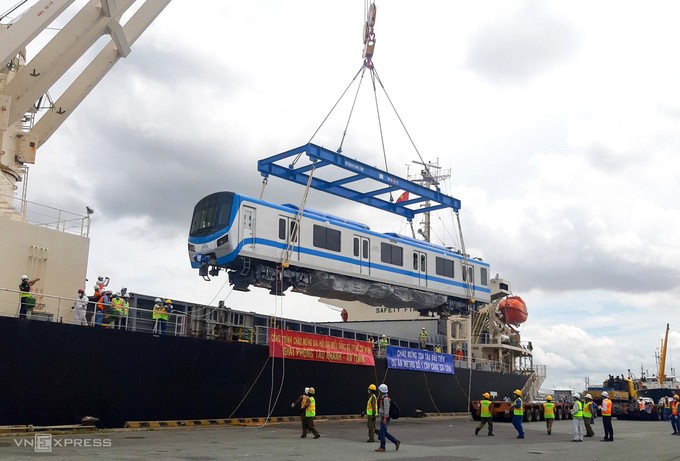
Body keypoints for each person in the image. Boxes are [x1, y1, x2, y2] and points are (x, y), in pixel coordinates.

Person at [375, 384, 400, 452]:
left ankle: (382, 447)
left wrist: (385, 418)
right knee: (384, 432)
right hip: (384, 417)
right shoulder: (384, 398)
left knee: (382, 432)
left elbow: (386, 409)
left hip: (385, 417)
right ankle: (395, 441)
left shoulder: (385, 399)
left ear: (381, 391)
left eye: (380, 390)